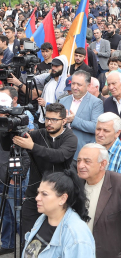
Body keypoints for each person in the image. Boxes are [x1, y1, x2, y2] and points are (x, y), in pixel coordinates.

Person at [1, 102, 77, 237]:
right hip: (34, 194)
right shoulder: (39, 134)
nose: (49, 123)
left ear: (64, 121)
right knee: (28, 234)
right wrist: (9, 133)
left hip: (58, 194)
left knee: (53, 237)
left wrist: (32, 146)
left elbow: (59, 156)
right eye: (47, 118)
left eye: (54, 119)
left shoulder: (70, 138)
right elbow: (9, 146)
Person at [76, 143, 121, 258]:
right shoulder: (75, 186)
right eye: (78, 161)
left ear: (102, 164)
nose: (80, 165)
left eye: (87, 161)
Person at [23, 171, 95, 257]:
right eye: (38, 193)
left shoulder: (77, 235)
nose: (37, 198)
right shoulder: (43, 218)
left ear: (63, 199)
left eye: (44, 194)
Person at [59, 70, 104, 159]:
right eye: (73, 84)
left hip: (82, 152)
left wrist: (74, 120)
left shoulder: (96, 103)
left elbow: (96, 127)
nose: (75, 87)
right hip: (62, 149)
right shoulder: (63, 101)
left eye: (79, 85)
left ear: (88, 86)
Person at [95, 112, 121, 178]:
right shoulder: (91, 148)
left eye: (106, 131)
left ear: (117, 133)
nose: (100, 134)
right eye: (98, 129)